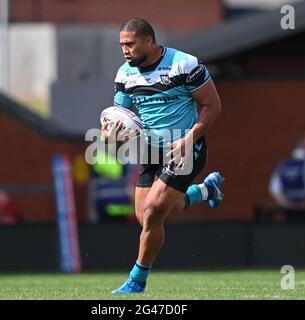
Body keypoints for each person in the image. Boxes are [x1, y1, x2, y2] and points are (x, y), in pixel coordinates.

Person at [100, 18, 224, 294]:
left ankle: (136, 280)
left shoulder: (185, 65)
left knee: (154, 211)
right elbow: (117, 119)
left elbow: (212, 106)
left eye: (130, 44)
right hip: (149, 152)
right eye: (122, 45)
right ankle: (203, 192)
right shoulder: (124, 75)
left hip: (186, 150)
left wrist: (189, 138)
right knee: (147, 219)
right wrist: (111, 135)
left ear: (148, 41)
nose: (125, 50)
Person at [268, 134, 305, 222]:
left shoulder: (283, 164)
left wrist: (289, 205)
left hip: (290, 214)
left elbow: (274, 190)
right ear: (304, 144)